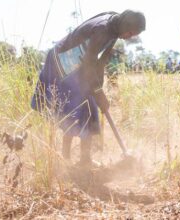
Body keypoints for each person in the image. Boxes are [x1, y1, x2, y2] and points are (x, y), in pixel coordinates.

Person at [31, 10, 146, 167]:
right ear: (126, 25)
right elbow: (89, 62)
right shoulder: (103, 29)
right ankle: (66, 159)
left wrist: (99, 90)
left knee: (88, 108)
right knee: (75, 107)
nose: (130, 36)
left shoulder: (114, 27)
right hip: (63, 60)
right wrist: (98, 93)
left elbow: (99, 62)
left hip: (79, 62)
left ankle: (84, 159)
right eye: (131, 32)